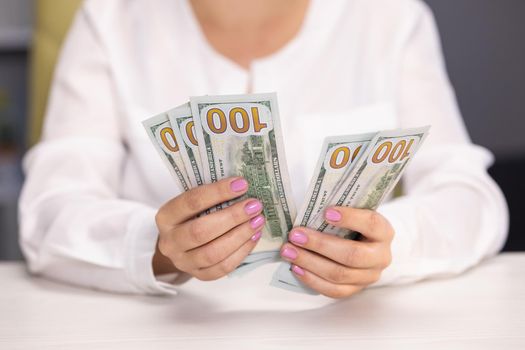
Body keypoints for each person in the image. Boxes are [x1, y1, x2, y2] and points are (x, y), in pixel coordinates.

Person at [19, 0, 508, 298]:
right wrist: (159, 249)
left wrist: (390, 244)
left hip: (346, 330)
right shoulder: (108, 21)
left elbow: (470, 196)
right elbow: (48, 213)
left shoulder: (392, 20)